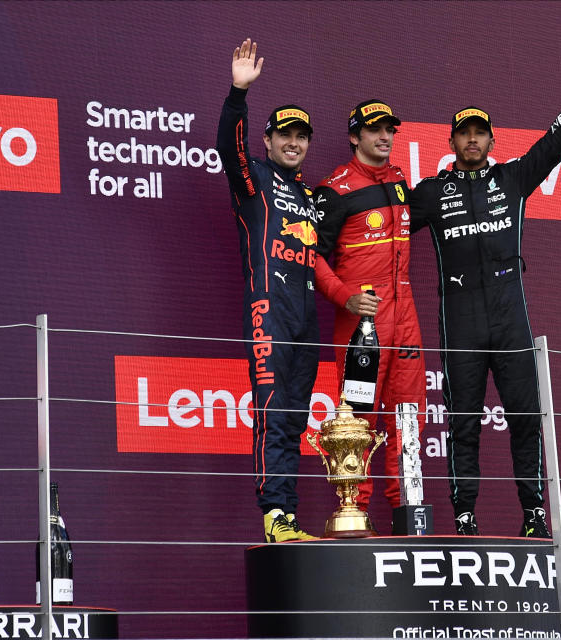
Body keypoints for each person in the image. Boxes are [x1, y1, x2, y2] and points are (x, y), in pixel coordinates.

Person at [410, 35, 561, 537]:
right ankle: (465, 516)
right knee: (464, 423)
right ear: (450, 143)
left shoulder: (514, 179)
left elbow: (557, 142)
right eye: (463, 134)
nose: (472, 141)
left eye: (480, 134)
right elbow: (381, 227)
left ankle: (534, 514)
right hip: (462, 318)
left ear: (492, 141)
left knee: (524, 417)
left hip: (509, 314)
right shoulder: (430, 194)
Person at [215, 38, 319, 542]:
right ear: (270, 140)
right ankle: (273, 513)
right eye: (285, 136)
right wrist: (238, 94)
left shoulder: (309, 195)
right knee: (273, 411)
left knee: (296, 417)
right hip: (268, 309)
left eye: (302, 137)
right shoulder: (254, 178)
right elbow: (227, 149)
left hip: (306, 315)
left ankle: (290, 516)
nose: (294, 144)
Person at [313, 100, 426, 516]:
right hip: (363, 324)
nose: (385, 137)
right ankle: (354, 513)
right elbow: (311, 256)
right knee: (357, 424)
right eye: (375, 129)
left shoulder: (398, 180)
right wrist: (344, 296)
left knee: (408, 418)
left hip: (406, 319)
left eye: (390, 130)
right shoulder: (334, 189)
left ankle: (407, 512)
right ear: (354, 136)